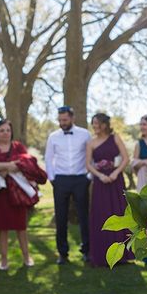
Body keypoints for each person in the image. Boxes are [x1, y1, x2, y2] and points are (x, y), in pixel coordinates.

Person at [0, 119, 34, 270]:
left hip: (17, 192)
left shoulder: (18, 146)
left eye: (8, 130)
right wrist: (10, 166)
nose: (5, 133)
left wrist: (3, 167)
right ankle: (4, 259)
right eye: (2, 130)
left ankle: (26, 256)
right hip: (0, 194)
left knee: (21, 227)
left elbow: (27, 163)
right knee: (2, 228)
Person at [85, 113, 133, 267]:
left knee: (118, 213)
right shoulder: (91, 143)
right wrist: (100, 176)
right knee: (101, 214)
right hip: (100, 183)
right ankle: (101, 254)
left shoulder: (115, 138)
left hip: (116, 180)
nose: (95, 126)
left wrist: (115, 173)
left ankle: (122, 254)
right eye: (93, 123)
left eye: (97, 123)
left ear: (105, 124)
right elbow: (88, 165)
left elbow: (125, 158)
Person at [45, 106, 91, 264]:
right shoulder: (53, 136)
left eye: (64, 120)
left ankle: (86, 250)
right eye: (59, 120)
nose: (61, 123)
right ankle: (62, 253)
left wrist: (89, 176)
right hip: (61, 180)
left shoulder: (85, 134)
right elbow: (48, 158)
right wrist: (53, 179)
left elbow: (90, 155)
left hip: (80, 179)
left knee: (84, 216)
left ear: (72, 118)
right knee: (61, 216)